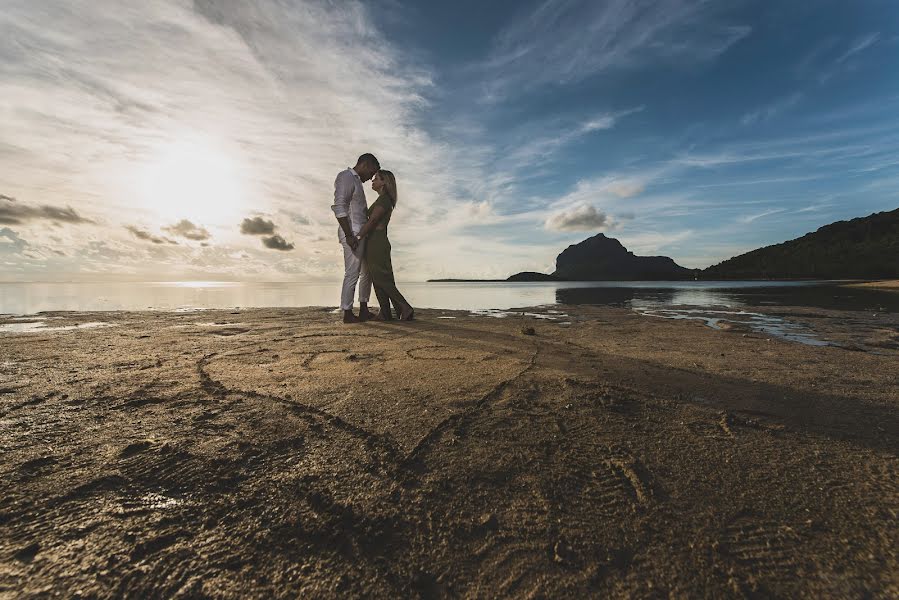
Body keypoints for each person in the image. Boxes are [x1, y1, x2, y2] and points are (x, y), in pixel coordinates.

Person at [356, 170, 414, 321]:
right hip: (374, 242)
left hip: (377, 243)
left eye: (376, 179)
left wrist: (358, 236)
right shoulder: (382, 199)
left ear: (384, 182)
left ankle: (405, 307)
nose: (372, 181)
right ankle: (385, 312)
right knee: (377, 278)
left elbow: (373, 220)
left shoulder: (384, 200)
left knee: (382, 279)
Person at [331, 153, 380, 323]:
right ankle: (347, 312)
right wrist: (349, 235)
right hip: (352, 233)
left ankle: (364, 309)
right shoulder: (346, 177)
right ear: (365, 164)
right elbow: (339, 207)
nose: (370, 177)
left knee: (367, 273)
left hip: (361, 234)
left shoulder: (358, 182)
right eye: (371, 172)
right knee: (352, 273)